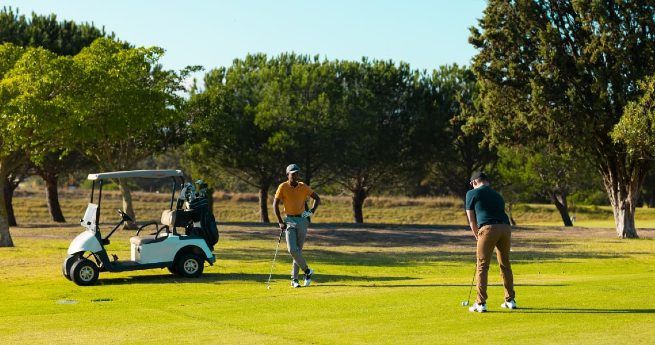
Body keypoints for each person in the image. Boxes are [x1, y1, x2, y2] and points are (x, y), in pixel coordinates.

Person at [465, 171, 516, 312]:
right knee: (505, 264)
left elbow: (471, 220)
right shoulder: (497, 195)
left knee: (482, 265)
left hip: (488, 229)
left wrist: (477, 235)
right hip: (505, 229)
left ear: (474, 182)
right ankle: (510, 300)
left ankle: (480, 303)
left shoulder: (471, 193)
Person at [273, 164, 321, 288]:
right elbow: (275, 205)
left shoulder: (303, 186)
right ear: (287, 174)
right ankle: (307, 271)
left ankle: (294, 280)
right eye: (292, 173)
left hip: (302, 220)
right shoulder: (283, 187)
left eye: (296, 173)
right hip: (289, 220)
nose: (295, 175)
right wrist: (280, 221)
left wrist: (310, 212)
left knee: (298, 251)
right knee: (292, 250)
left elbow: (317, 198)